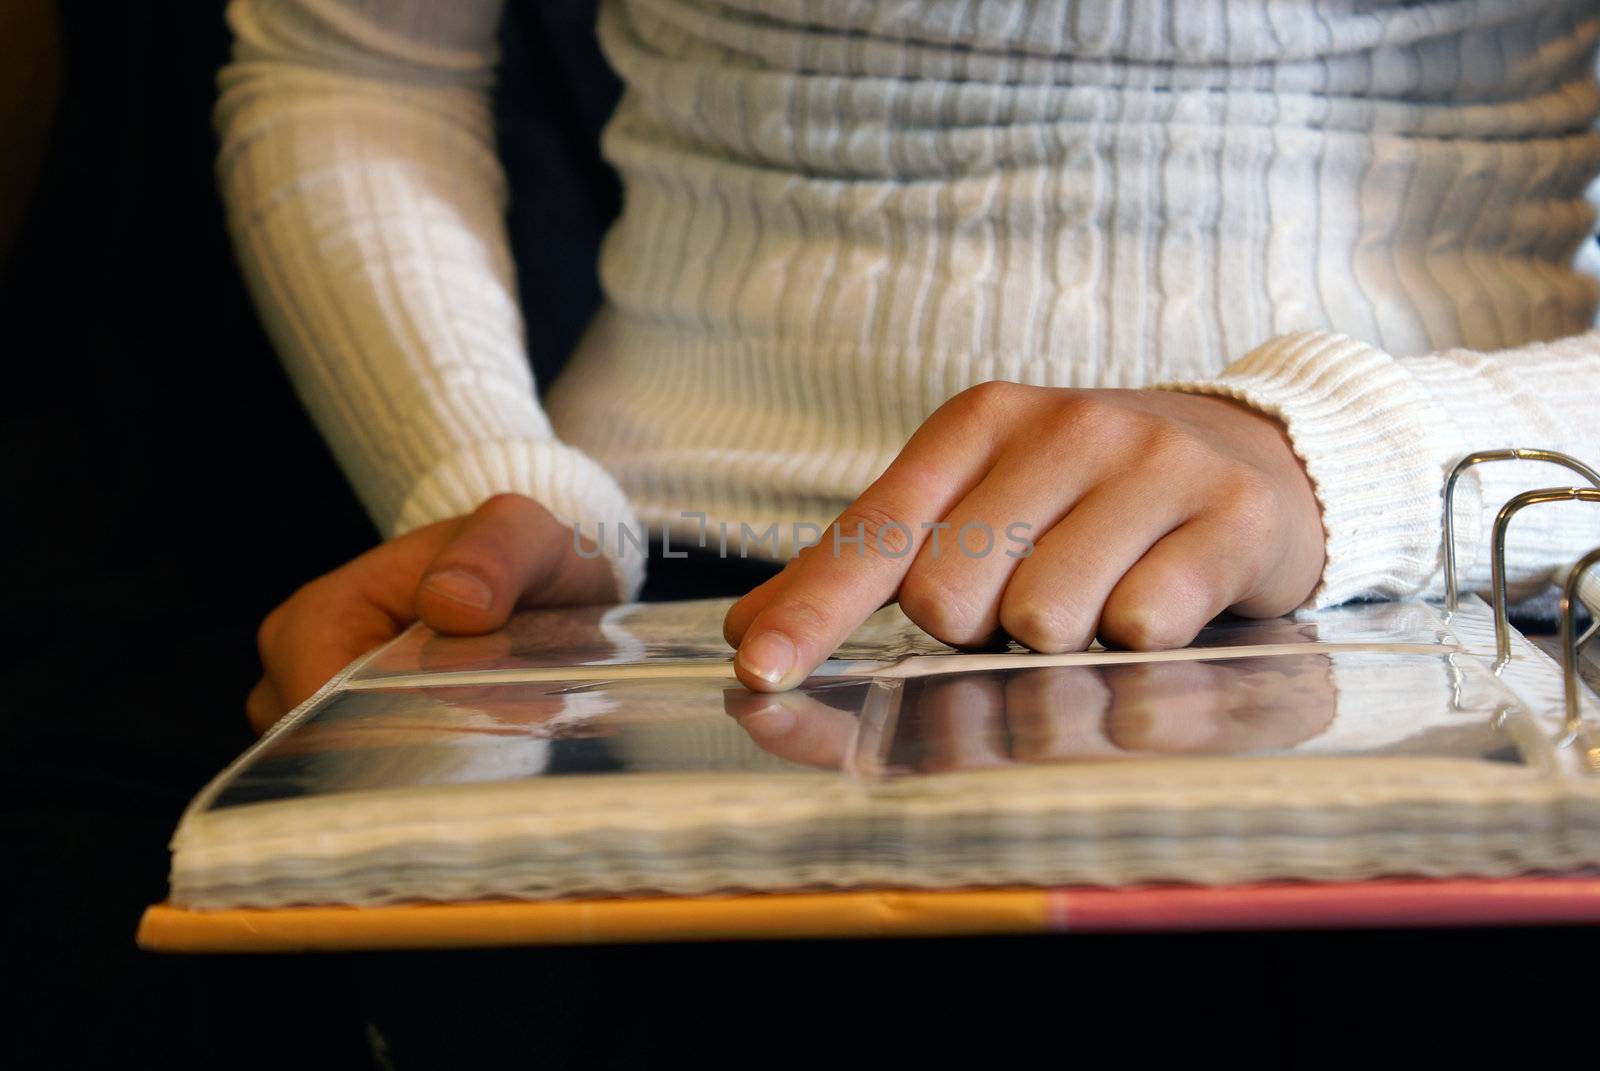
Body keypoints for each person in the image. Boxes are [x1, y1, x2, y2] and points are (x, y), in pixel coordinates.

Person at [220, 0, 1600, 734]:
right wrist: (473, 468)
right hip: (659, 612)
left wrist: (1357, 454)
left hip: (1466, 577)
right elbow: (352, 61)